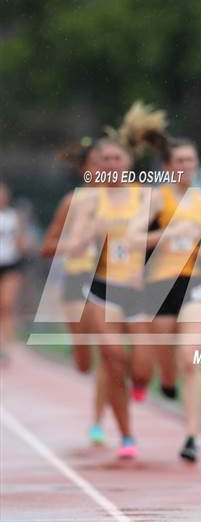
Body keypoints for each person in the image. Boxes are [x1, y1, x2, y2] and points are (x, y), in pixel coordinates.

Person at [67, 101, 168, 459]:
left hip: (136, 293)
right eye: (104, 160)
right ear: (98, 165)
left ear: (128, 162)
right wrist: (88, 235)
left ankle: (139, 385)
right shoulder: (88, 200)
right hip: (101, 291)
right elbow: (73, 242)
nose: (111, 165)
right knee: (112, 360)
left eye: (117, 159)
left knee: (141, 368)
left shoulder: (148, 197)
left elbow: (168, 238)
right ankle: (127, 435)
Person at [128, 138, 201, 462]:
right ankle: (166, 381)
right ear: (167, 167)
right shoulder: (157, 199)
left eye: (190, 161)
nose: (186, 167)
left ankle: (192, 436)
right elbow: (133, 237)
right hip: (159, 284)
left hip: (194, 283)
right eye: (179, 161)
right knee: (166, 361)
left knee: (190, 359)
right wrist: (166, 235)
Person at [40, 139, 108, 445]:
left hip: (108, 283)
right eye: (96, 164)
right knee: (84, 364)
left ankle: (97, 422)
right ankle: (77, 347)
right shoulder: (71, 202)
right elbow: (47, 247)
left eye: (108, 163)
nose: (104, 169)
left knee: (109, 351)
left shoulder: (125, 201)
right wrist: (74, 244)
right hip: (74, 279)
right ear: (85, 169)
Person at [0, 182, 31, 362]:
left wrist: (24, 245)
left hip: (10, 265)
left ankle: (7, 346)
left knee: (6, 305)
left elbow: (23, 242)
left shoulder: (14, 217)